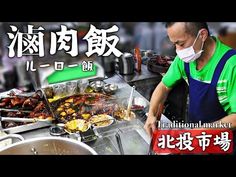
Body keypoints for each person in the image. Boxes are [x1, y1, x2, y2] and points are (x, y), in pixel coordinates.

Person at [144, 22, 236, 153]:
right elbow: (164, 86)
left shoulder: (231, 65)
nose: (177, 50)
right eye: (174, 44)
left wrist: (203, 131)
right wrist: (151, 114)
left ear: (202, 35)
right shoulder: (185, 59)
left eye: (180, 44)